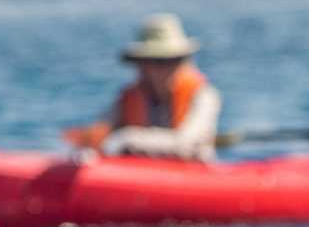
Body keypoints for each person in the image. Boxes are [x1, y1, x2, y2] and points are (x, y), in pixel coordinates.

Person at [64, 14, 222, 161]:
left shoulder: (205, 96)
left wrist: (128, 139)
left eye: (175, 60)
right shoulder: (127, 99)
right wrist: (88, 147)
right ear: (142, 64)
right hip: (140, 176)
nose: (167, 69)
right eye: (157, 61)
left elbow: (186, 142)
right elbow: (100, 131)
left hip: (191, 180)